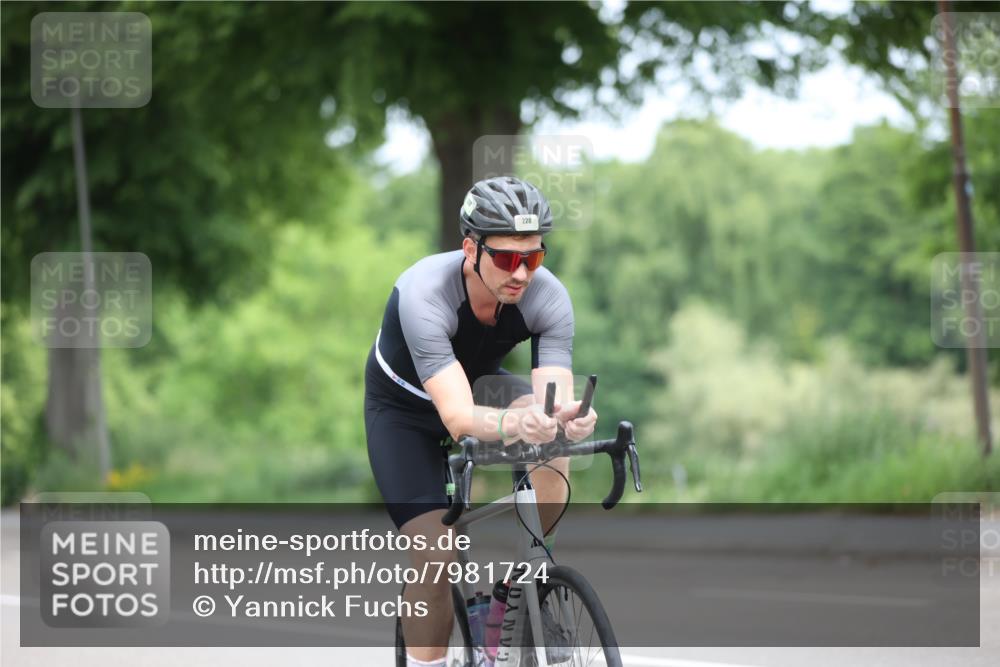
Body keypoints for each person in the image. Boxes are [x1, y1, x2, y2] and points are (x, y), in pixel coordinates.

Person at [364, 175, 597, 667]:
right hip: (404, 411)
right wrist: (517, 424)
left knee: (553, 441)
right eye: (507, 259)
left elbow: (552, 399)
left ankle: (524, 583)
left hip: (480, 387)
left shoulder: (548, 296)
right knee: (435, 558)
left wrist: (568, 418)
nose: (522, 273)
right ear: (471, 248)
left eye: (533, 257)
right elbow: (457, 416)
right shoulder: (424, 293)